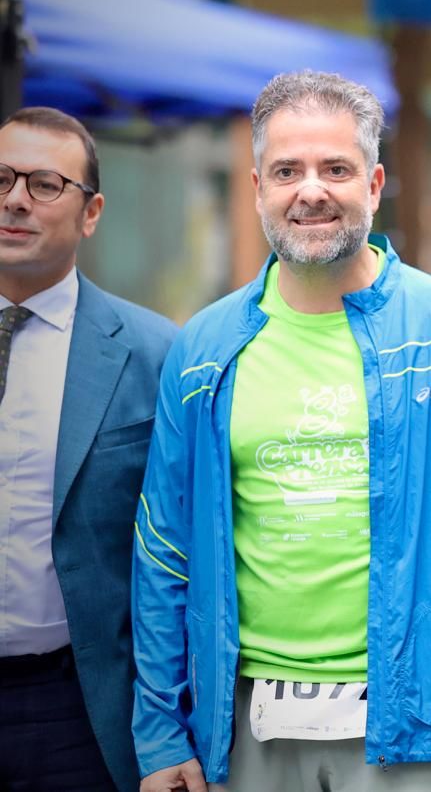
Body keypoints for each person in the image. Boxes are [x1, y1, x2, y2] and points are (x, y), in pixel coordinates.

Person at [131, 72, 431, 792]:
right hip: (244, 732)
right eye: (288, 171)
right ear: (259, 185)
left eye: (336, 169)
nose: (312, 190)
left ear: (375, 181)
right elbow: (162, 551)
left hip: (428, 727)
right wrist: (159, 729)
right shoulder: (203, 350)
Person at [0, 107, 176, 792]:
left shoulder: (153, 353)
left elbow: (179, 560)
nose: (15, 199)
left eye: (45, 184)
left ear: (91, 211)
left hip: (79, 709)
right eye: (3, 178)